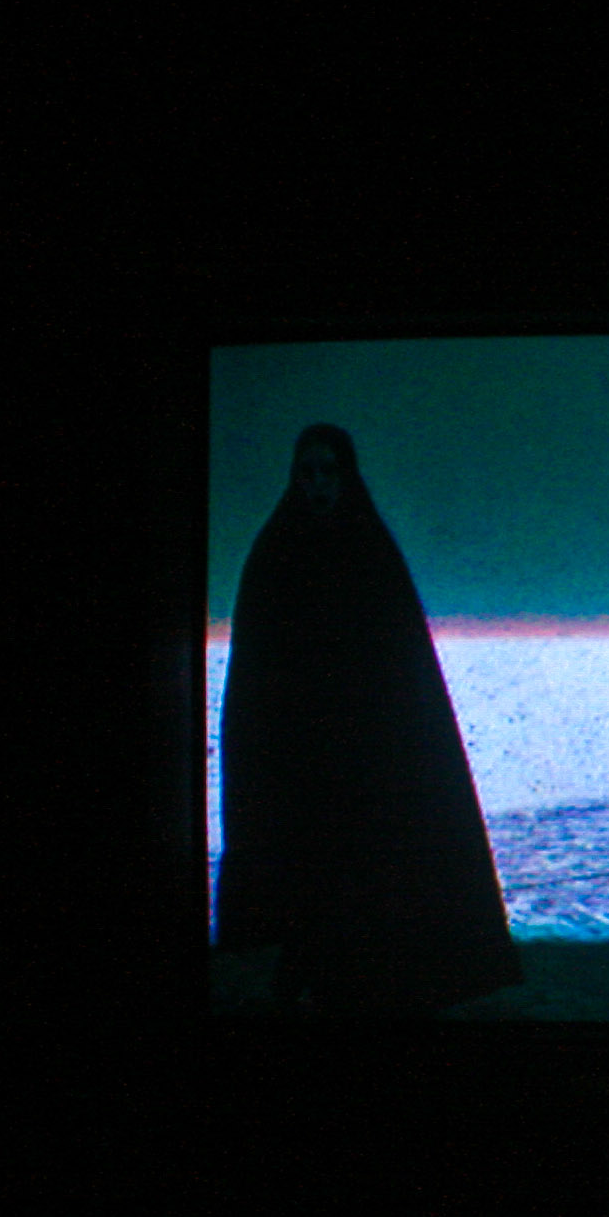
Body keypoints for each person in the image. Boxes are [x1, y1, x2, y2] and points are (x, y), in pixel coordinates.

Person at [214, 424, 521, 1012]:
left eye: (328, 472)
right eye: (307, 473)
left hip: (366, 751)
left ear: (346, 476)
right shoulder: (275, 552)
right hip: (303, 753)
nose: (318, 485)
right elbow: (259, 670)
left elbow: (403, 667)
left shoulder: (369, 549)